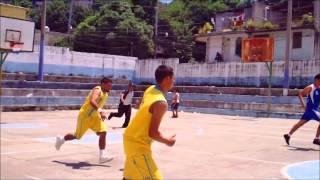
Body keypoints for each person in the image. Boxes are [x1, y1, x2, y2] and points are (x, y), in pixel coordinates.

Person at [123, 65, 176, 180]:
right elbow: (152, 133)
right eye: (173, 78)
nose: (174, 81)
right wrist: (168, 141)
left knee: (129, 178)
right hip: (138, 144)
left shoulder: (150, 89)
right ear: (167, 79)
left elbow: (141, 108)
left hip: (130, 138)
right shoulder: (161, 103)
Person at [55, 77, 114, 164]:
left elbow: (99, 104)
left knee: (103, 132)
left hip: (94, 117)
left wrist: (100, 113)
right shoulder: (98, 90)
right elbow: (92, 101)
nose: (110, 87)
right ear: (103, 84)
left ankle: (102, 157)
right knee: (77, 136)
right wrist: (100, 111)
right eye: (109, 85)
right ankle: (61, 140)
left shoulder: (106, 94)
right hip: (85, 116)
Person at [283, 73, 320, 146]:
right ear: (317, 80)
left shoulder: (319, 88)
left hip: (313, 110)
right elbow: (300, 94)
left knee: (300, 124)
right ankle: (316, 139)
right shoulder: (310, 87)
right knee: (300, 124)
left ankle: (288, 135)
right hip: (311, 110)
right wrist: (303, 105)